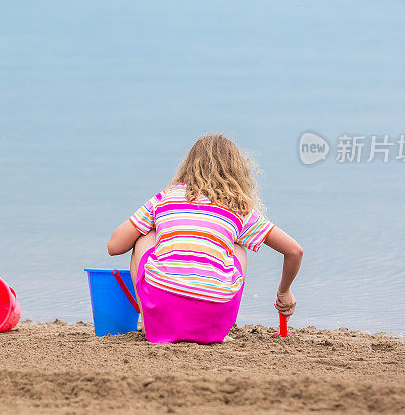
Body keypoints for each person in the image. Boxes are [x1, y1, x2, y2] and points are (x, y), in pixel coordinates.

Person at [107, 133, 303, 344]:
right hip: (215, 321)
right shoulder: (239, 207)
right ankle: (218, 324)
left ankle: (150, 323)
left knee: (144, 237)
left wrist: (161, 226)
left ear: (189, 165)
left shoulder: (167, 197)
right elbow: (294, 251)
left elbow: (115, 246)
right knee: (238, 248)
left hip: (163, 308)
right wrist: (285, 291)